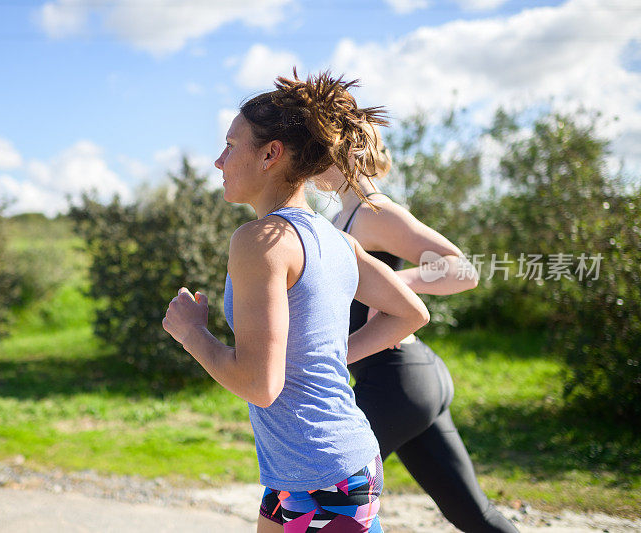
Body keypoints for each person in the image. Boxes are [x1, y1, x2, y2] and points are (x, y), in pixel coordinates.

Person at [161, 71, 430, 532]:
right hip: (313, 464)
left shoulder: (260, 240)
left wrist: (192, 333)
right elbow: (411, 312)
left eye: (230, 145)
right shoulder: (336, 241)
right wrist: (331, 358)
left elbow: (259, 385)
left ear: (270, 154)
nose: (218, 160)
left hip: (322, 475)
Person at [312, 124, 519, 533]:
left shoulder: (376, 212)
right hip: (406, 381)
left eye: (318, 150)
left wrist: (396, 288)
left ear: (348, 154)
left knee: (322, 496)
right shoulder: (341, 216)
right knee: (473, 515)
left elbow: (462, 270)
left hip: (397, 378)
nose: (310, 160)